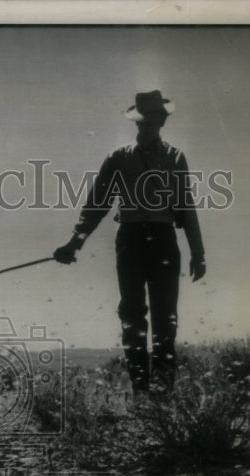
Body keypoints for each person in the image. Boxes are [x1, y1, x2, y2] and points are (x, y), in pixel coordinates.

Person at [54, 90, 206, 395]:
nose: (147, 124)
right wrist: (75, 243)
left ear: (162, 120)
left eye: (153, 119)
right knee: (132, 314)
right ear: (138, 121)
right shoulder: (119, 157)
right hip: (131, 240)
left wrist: (198, 252)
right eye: (143, 120)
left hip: (164, 239)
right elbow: (96, 205)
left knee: (166, 317)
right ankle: (140, 390)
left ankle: (163, 393)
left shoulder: (176, 158)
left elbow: (186, 207)